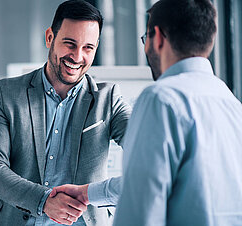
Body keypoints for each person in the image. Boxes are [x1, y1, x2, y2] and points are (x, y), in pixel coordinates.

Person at [51, 0, 242, 225]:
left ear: (158, 37)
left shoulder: (161, 99)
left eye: (145, 38)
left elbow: (140, 207)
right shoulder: (230, 102)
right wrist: (88, 193)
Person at [0, 0, 131, 225]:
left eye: (88, 47)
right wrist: (44, 200)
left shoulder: (109, 99)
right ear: (50, 37)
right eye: (70, 43)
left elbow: (147, 151)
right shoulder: (6, 93)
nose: (77, 57)